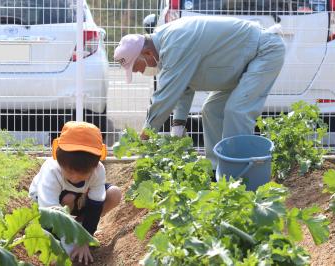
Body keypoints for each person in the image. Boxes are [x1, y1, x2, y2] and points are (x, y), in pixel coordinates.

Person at [114, 16, 285, 170]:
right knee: (211, 110)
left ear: (147, 53)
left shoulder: (175, 42)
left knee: (237, 111)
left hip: (264, 52)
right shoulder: (167, 43)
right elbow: (183, 86)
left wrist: (145, 136)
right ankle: (216, 168)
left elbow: (165, 96)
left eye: (137, 67)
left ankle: (238, 173)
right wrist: (178, 124)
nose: (140, 72)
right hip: (246, 62)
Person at [29, 121, 122, 264]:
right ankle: (56, 236)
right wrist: (69, 248)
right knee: (68, 199)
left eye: (82, 174)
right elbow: (51, 213)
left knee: (114, 193)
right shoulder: (51, 171)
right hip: (47, 208)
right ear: (57, 157)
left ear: (95, 165)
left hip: (75, 202)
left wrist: (84, 239)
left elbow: (95, 207)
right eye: (70, 172)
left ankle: (78, 225)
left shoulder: (98, 171)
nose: (74, 178)